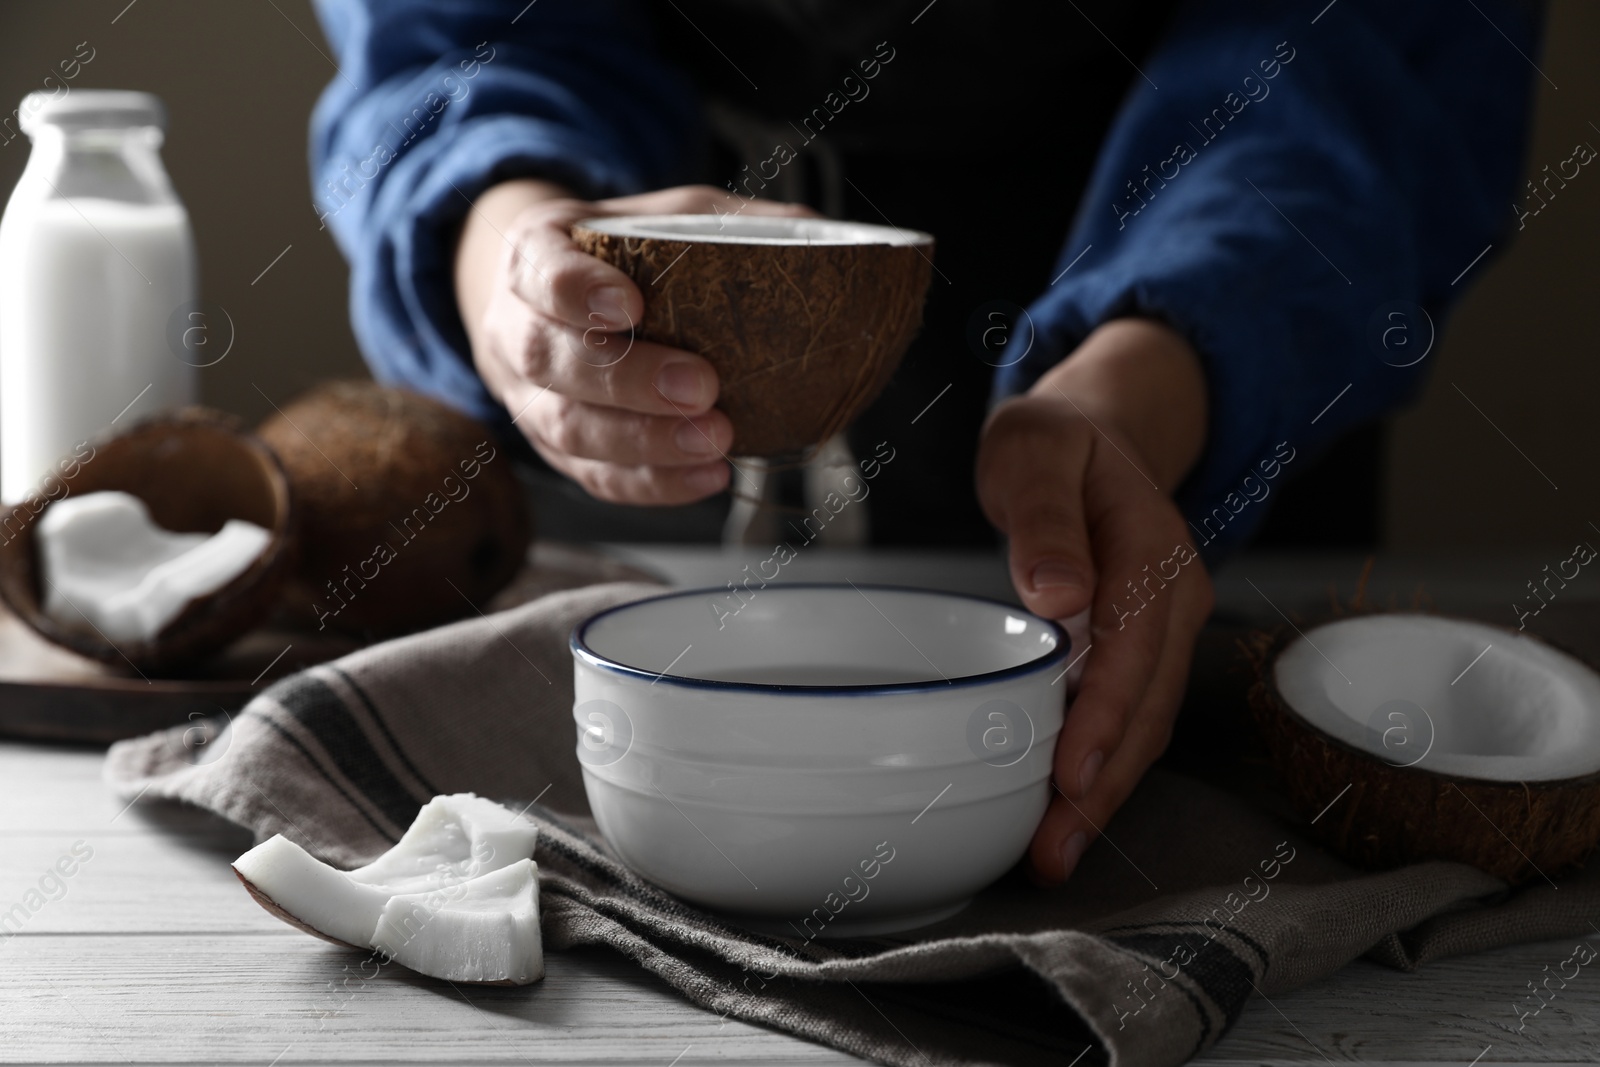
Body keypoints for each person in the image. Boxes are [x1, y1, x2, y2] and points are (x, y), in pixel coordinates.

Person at [307, 0, 1540, 883]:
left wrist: (1144, 383)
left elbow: (1365, 40)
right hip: (632, 362)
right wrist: (514, 257)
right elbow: (459, 32)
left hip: (1186, 374)